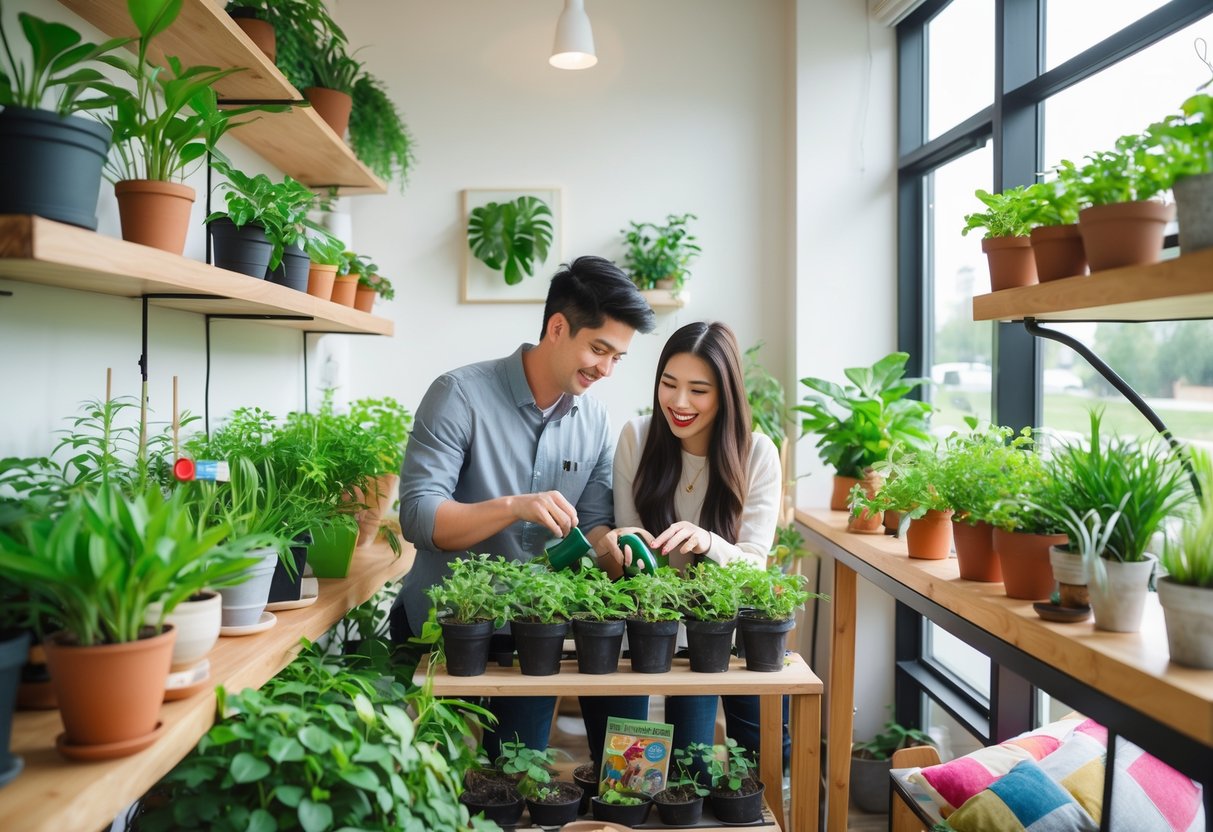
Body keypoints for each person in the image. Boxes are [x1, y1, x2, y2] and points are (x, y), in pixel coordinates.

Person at [390, 255, 656, 762]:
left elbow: (595, 523)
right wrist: (515, 506)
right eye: (598, 349)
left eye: (617, 357)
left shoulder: (595, 419)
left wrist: (613, 543)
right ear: (558, 327)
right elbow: (419, 517)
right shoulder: (458, 395)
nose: (605, 369)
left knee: (512, 780)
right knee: (431, 786)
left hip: (534, 632)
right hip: (444, 625)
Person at [597, 320, 789, 769]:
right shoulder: (637, 437)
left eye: (698, 390)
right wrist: (618, 543)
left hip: (727, 633)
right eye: (669, 384)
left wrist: (707, 542)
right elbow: (633, 559)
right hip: (649, 630)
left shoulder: (757, 454)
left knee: (709, 768)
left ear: (726, 393)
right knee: (637, 776)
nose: (679, 403)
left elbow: (753, 567)